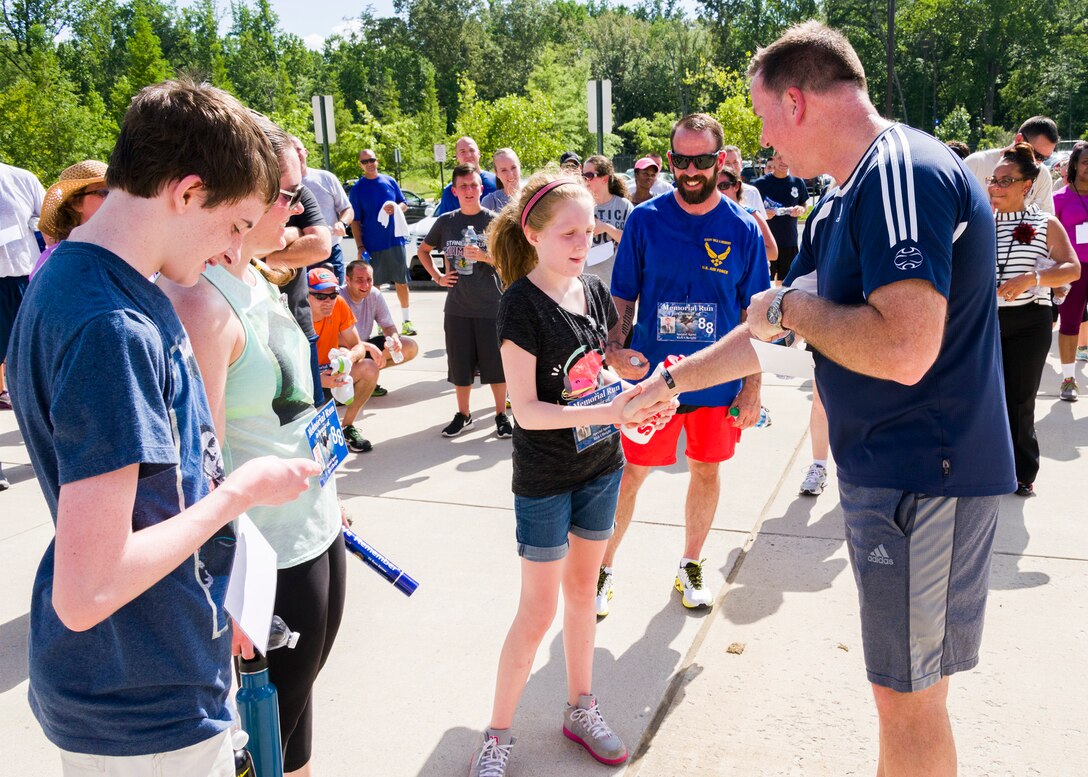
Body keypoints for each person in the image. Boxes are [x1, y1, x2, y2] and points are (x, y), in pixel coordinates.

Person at [626, 23, 1015, 777]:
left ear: (797, 101)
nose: (764, 142)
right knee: (901, 689)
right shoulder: (837, 200)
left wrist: (793, 313)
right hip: (889, 477)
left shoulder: (898, 169)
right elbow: (765, 326)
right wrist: (665, 383)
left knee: (909, 698)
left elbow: (903, 347)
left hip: (922, 478)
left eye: (764, 117)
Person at [7, 79, 318, 777]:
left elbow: (161, 496)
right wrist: (240, 493)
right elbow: (89, 588)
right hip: (141, 702)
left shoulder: (96, 283)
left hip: (150, 668)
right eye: (236, 223)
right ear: (185, 192)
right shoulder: (109, 326)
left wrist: (226, 587)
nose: (234, 246)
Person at [466, 172, 675, 777]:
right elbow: (526, 412)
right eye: (568, 233)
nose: (582, 243)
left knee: (584, 594)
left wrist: (634, 401)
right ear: (532, 234)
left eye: (589, 231)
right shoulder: (519, 304)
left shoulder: (593, 292)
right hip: (546, 479)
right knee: (537, 612)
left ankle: (580, 707)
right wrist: (610, 407)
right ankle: (498, 735)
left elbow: (595, 375)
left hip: (600, 467)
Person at [162, 116, 348, 776]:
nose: (298, 210)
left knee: (295, 724)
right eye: (289, 194)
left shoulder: (262, 277)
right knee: (264, 740)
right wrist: (231, 580)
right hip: (264, 554)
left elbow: (283, 408)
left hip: (314, 525)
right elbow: (199, 458)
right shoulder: (201, 304)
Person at [597, 113, 770, 617]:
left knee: (707, 469)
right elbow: (623, 299)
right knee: (631, 474)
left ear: (720, 162)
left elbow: (753, 316)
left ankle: (690, 564)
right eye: (681, 160)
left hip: (718, 381)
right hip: (653, 380)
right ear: (669, 160)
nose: (690, 170)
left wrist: (752, 387)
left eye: (702, 160)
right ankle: (602, 569)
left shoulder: (741, 229)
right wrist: (614, 348)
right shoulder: (646, 220)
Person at [989, 144, 1080, 494]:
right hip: (986, 321)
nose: (995, 187)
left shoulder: (1045, 223)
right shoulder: (979, 223)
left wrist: (1031, 279)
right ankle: (988, 466)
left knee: (1020, 398)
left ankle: (1022, 472)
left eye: (1005, 181)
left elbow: (1071, 268)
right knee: (986, 396)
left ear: (1027, 185)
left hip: (1030, 321)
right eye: (993, 180)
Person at [417, 163, 512, 438]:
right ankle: (464, 414)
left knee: (496, 366)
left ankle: (500, 415)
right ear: (455, 190)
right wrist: (436, 276)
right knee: (460, 365)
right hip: (458, 307)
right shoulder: (446, 221)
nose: (469, 191)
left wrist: (484, 257)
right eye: (463, 186)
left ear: (481, 188)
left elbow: (508, 260)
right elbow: (424, 250)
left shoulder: (494, 220)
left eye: (473, 185)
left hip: (491, 305)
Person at [265, 154, 333, 406]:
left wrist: (265, 254)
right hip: (263, 335)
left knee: (315, 409)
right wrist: (295, 232)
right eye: (288, 195)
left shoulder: (301, 194)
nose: (298, 207)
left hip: (299, 322)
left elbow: (320, 246)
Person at [308, 267, 379, 452]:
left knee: (369, 367)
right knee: (317, 447)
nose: (328, 301)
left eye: (332, 295)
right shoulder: (297, 313)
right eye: (320, 296)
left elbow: (358, 346)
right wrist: (318, 379)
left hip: (331, 372)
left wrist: (350, 356)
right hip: (306, 377)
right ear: (305, 295)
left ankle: (347, 426)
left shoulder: (338, 304)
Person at [348, 148, 416, 336]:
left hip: (395, 241)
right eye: (365, 161)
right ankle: (380, 325)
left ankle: (407, 321)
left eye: (372, 160)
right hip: (372, 244)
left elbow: (404, 203)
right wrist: (360, 246)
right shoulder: (358, 189)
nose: (369, 164)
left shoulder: (389, 181)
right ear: (360, 165)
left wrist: (395, 208)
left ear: (377, 161)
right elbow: (355, 220)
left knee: (401, 282)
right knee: (373, 286)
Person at [0, 162, 43, 428]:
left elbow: (53, 219)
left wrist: (34, 225)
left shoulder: (21, 180)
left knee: (32, 363)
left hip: (23, 282)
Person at [339, 259, 419, 398]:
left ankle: (366, 380)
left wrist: (394, 339)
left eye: (369, 279)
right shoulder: (337, 297)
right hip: (342, 349)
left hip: (364, 347)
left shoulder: (374, 294)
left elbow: (388, 325)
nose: (366, 285)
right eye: (360, 280)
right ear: (347, 280)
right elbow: (335, 338)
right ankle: (343, 387)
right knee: (343, 353)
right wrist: (368, 347)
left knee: (409, 346)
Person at [31, 160, 109, 279]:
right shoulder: (56, 262)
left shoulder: (126, 246)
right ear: (75, 203)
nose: (114, 198)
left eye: (116, 192)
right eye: (104, 192)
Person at [965, 116, 1059, 213]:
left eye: (1045, 158)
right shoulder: (975, 164)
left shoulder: (1042, 174)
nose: (1038, 162)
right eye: (1036, 155)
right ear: (1019, 139)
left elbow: (1046, 220)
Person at [292, 135, 353, 284]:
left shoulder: (326, 178)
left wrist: (342, 223)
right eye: (291, 151)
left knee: (334, 297)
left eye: (298, 150)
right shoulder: (284, 183)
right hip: (300, 254)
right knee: (305, 301)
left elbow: (347, 209)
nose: (296, 154)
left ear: (306, 152)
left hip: (330, 249)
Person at [1053, 141, 1088, 399]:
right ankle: (1068, 379)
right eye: (1086, 162)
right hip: (1073, 269)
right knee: (1070, 322)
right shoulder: (1059, 198)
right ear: (1074, 164)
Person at [754, 150, 808, 285]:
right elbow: (750, 210)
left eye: (786, 158)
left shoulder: (797, 181)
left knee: (786, 284)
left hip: (789, 241)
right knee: (765, 282)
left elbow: (804, 204)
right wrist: (764, 213)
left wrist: (801, 209)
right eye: (780, 158)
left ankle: (779, 307)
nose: (783, 162)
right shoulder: (760, 184)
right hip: (766, 242)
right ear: (774, 159)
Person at [581, 154, 632, 286]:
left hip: (616, 282)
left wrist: (605, 227)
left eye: (590, 175)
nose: (585, 180)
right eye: (583, 176)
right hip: (586, 281)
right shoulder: (580, 205)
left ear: (604, 179)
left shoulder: (623, 205)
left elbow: (631, 242)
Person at [718, 167, 777, 264]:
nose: (718, 191)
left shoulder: (751, 215)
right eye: (713, 188)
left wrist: (735, 253)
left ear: (736, 186)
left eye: (723, 186)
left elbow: (772, 252)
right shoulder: (709, 216)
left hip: (748, 276)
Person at [434, 136, 499, 216]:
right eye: (463, 151)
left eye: (471, 150)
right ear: (457, 157)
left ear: (479, 153)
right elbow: (445, 224)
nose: (468, 155)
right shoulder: (450, 192)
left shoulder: (496, 182)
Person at [723, 145, 767, 217]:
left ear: (740, 163)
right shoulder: (715, 192)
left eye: (735, 162)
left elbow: (761, 224)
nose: (732, 167)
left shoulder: (752, 192)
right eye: (727, 163)